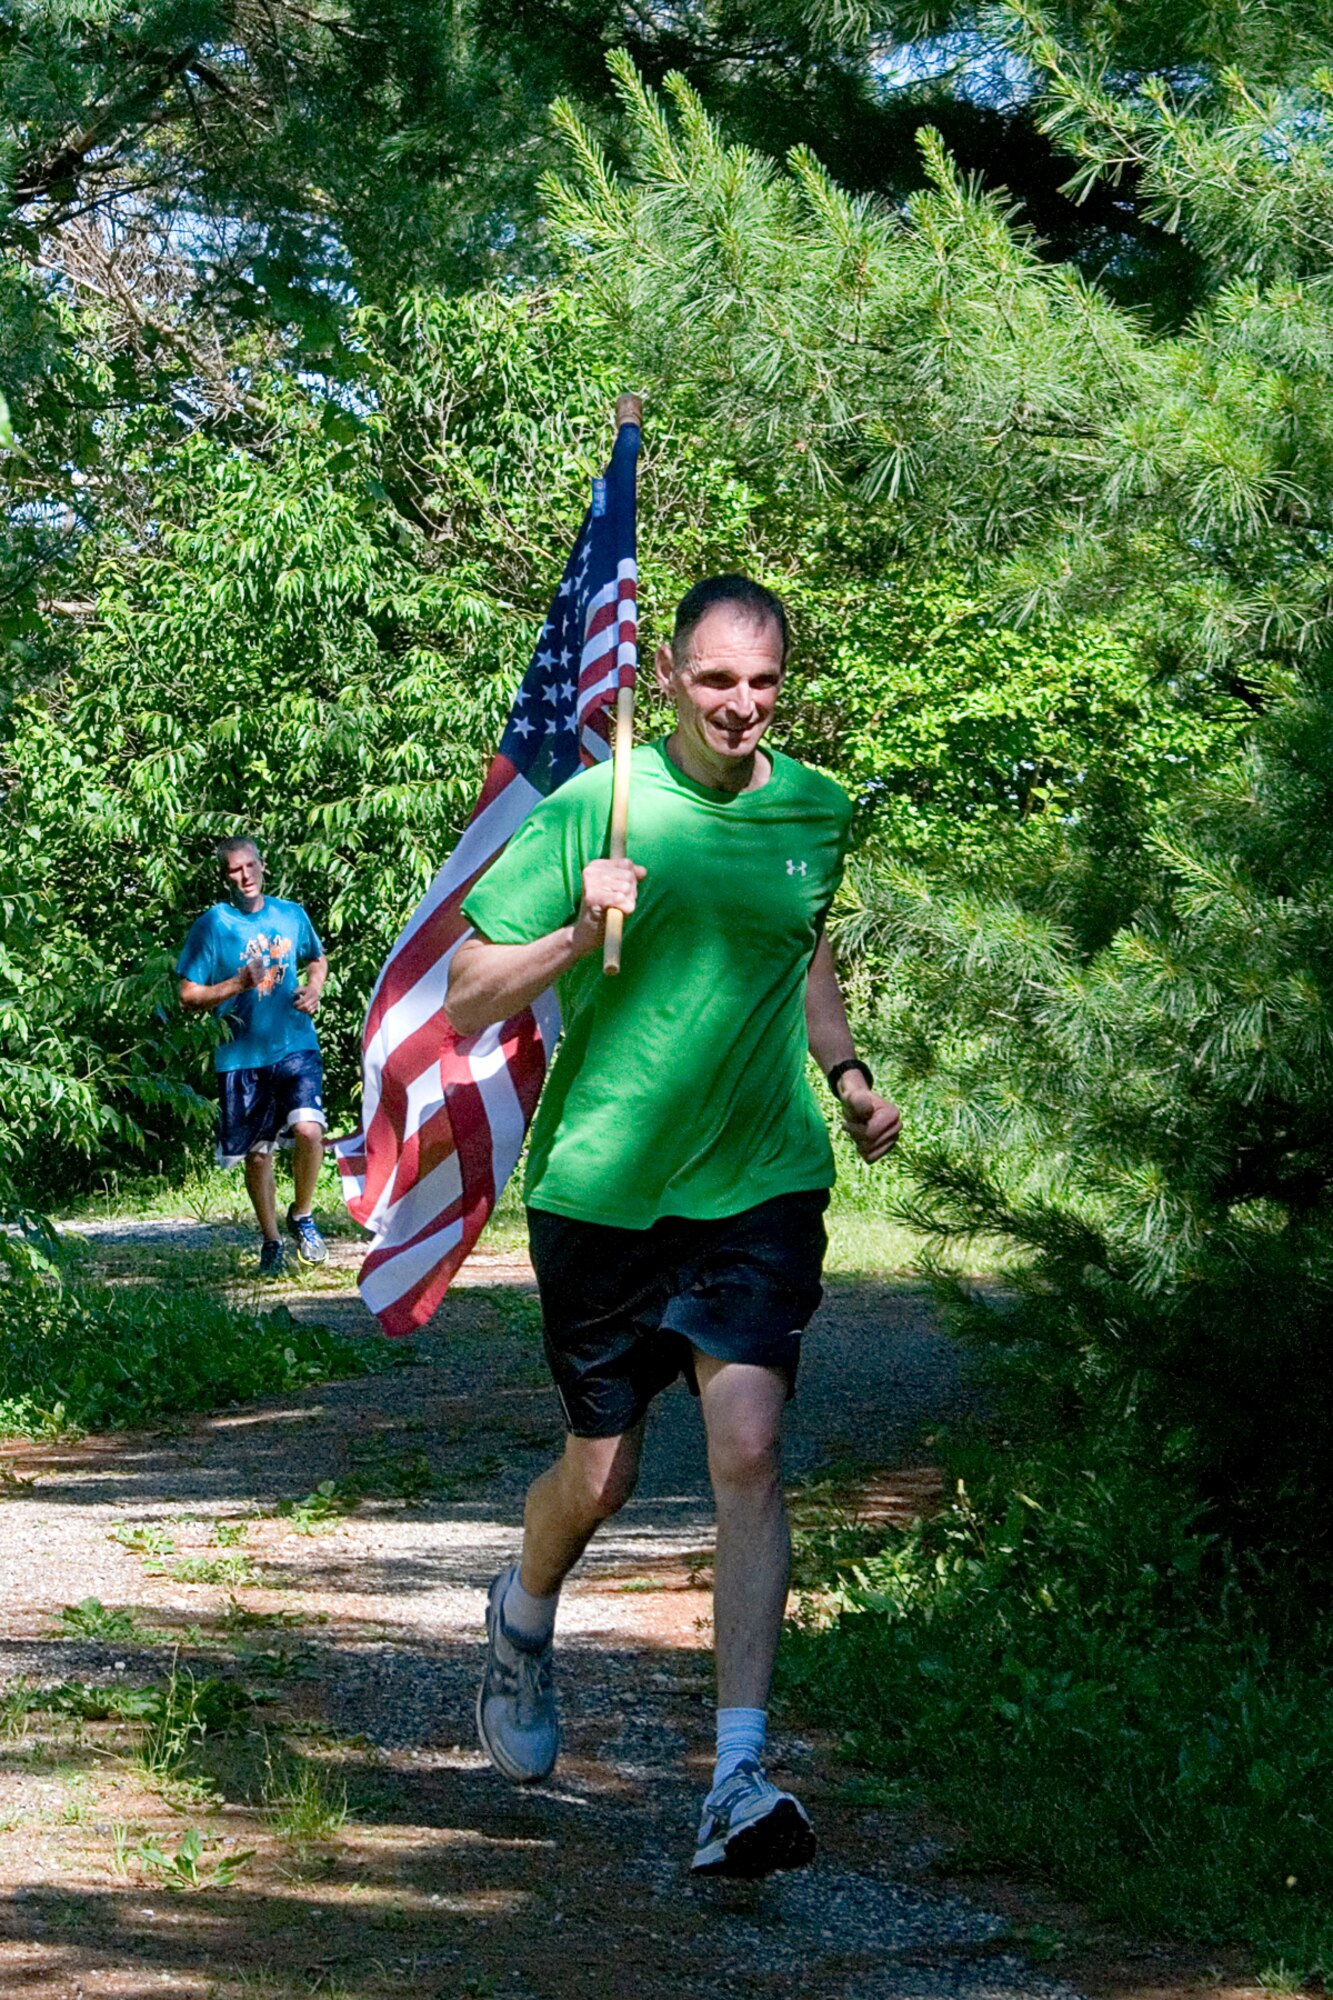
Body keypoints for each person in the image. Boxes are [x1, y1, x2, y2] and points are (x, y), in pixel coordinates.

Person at [446, 574, 901, 1878]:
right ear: (669, 679)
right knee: (603, 1478)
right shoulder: (601, 806)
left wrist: (850, 1080)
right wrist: (577, 928)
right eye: (713, 680)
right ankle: (523, 1616)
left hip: (758, 1182)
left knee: (749, 1446)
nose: (740, 704)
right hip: (602, 1188)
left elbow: (802, 957)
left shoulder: (817, 809)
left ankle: (739, 1778)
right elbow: (471, 992)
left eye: (761, 681)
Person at [177, 836, 330, 1276]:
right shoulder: (213, 925)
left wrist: (314, 988)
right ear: (224, 877)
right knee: (259, 1155)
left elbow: (317, 960)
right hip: (241, 1055)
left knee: (308, 1129)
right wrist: (237, 984)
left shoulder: (290, 914)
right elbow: (188, 995)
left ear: (263, 866)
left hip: (295, 1043)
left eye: (249, 867)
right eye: (233, 871)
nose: (244, 877)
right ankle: (272, 1241)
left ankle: (302, 1215)